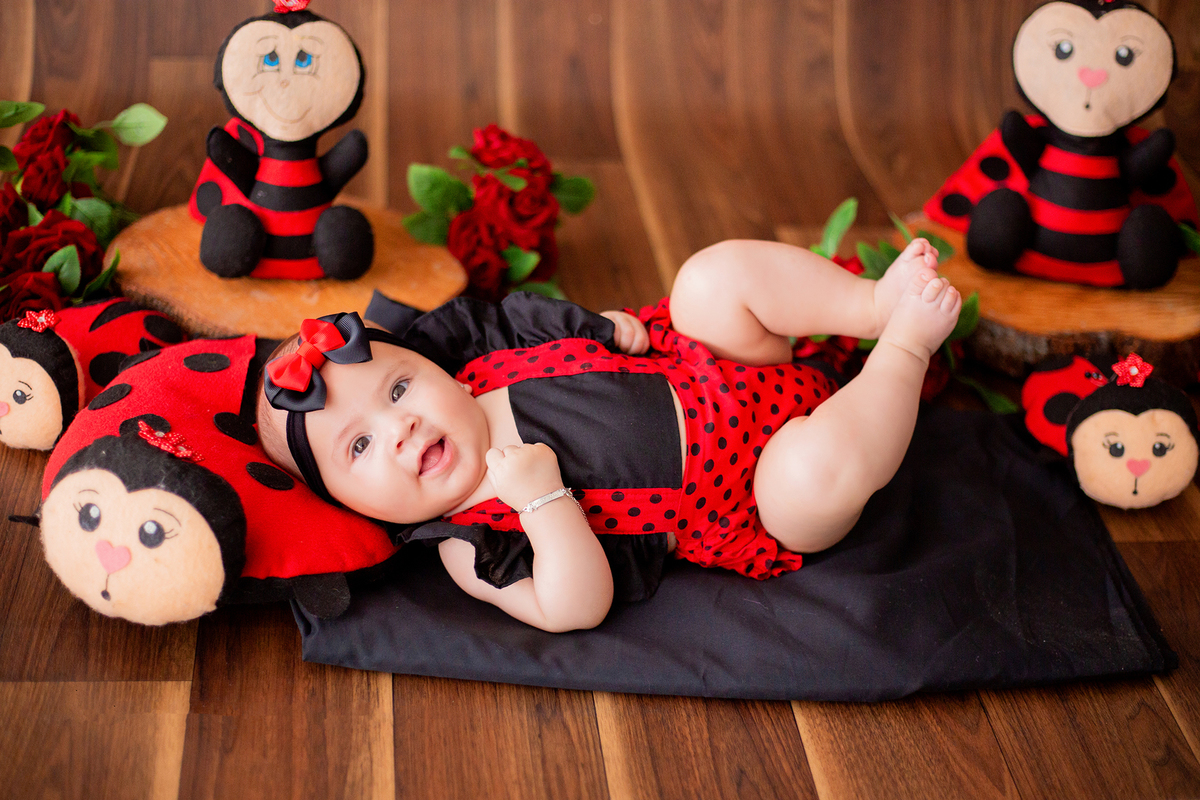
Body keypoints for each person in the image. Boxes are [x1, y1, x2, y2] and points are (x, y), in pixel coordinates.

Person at [257, 238, 962, 632]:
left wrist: (598, 326)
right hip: (752, 492)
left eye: (401, 387)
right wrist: (544, 505)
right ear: (352, 506)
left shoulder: (483, 364)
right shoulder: (472, 545)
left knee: (709, 281)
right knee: (812, 476)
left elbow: (536, 320)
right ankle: (902, 350)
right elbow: (573, 606)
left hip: (718, 362)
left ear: (433, 364)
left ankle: (869, 303)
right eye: (359, 447)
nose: (400, 426)